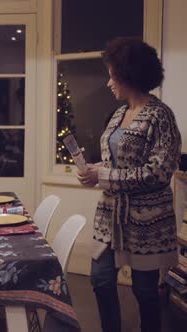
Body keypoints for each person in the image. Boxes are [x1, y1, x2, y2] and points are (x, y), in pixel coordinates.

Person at [77, 37, 181, 332]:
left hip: (146, 224)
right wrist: (95, 170)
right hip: (109, 218)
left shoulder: (160, 116)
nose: (109, 82)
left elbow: (158, 173)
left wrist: (105, 175)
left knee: (145, 293)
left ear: (128, 75)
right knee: (100, 280)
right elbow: (116, 165)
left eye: (112, 75)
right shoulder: (118, 115)